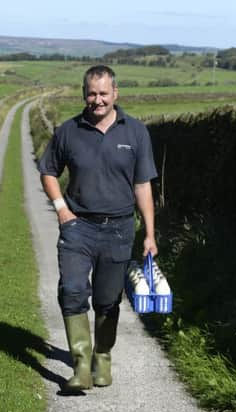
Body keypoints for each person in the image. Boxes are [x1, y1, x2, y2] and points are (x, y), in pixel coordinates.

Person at [38, 65, 158, 392]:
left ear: (115, 94)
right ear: (84, 94)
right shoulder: (68, 131)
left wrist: (149, 234)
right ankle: (80, 366)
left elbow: (143, 185)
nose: (97, 100)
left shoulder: (135, 132)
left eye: (104, 93)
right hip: (78, 228)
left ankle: (102, 356)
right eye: (92, 93)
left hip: (119, 229)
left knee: (108, 301)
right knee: (73, 291)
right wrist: (61, 209)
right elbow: (48, 171)